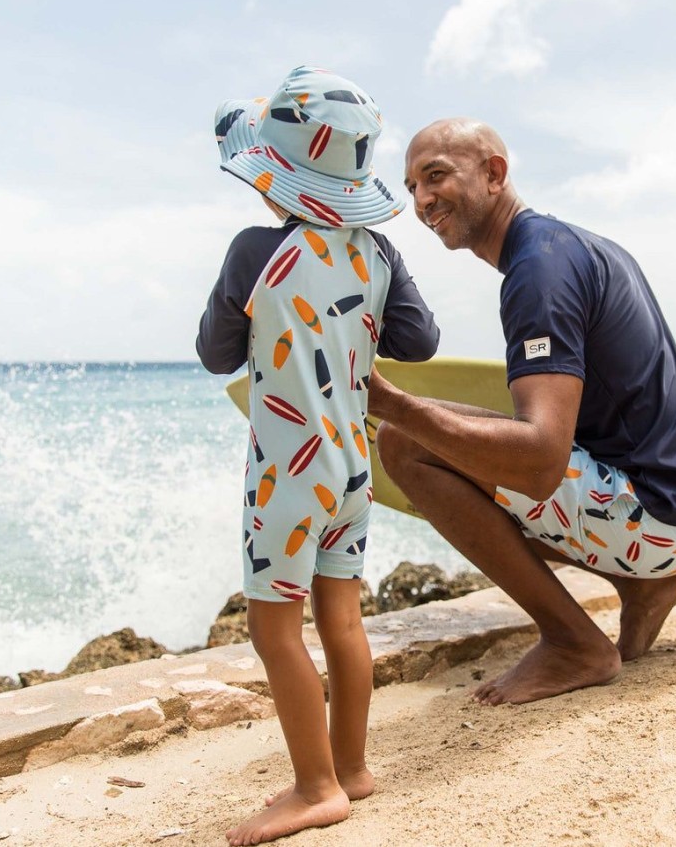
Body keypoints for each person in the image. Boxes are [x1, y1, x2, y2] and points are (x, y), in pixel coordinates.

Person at [368, 117, 676, 707]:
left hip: (655, 518)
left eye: (435, 176)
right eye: (411, 188)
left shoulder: (538, 272)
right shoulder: (573, 246)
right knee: (452, 435)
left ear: (494, 174)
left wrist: (390, 404)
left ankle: (573, 643)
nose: (422, 200)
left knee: (405, 443)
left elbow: (539, 464)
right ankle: (643, 585)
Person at [196, 66, 439, 845]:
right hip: (353, 469)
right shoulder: (379, 255)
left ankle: (314, 786)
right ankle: (350, 766)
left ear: (279, 176)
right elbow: (420, 342)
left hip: (285, 470)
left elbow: (213, 354)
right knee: (342, 615)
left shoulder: (253, 251)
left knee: (274, 630)